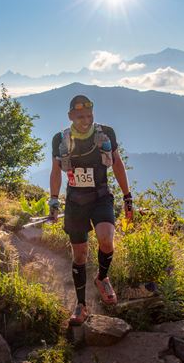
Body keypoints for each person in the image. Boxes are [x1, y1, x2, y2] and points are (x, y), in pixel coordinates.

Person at [48, 94, 133, 325]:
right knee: (80, 255)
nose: (86, 120)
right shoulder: (60, 139)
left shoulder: (106, 134)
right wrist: (54, 201)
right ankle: (81, 305)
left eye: (89, 115)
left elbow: (117, 163)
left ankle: (102, 278)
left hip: (101, 196)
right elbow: (56, 172)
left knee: (106, 239)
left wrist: (127, 197)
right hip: (75, 201)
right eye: (80, 116)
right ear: (70, 116)